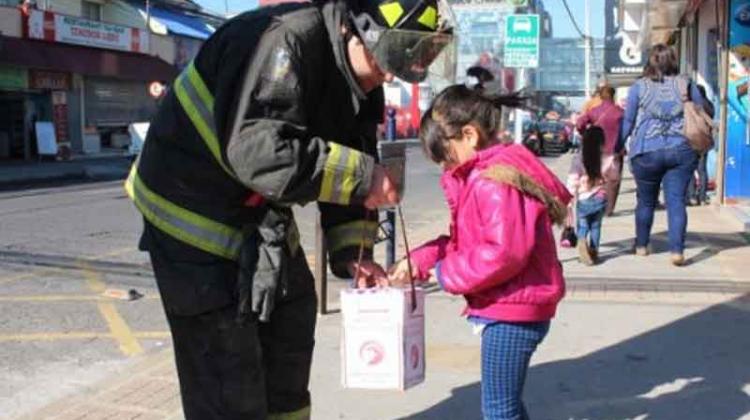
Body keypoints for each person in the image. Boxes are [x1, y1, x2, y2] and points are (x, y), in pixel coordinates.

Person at [124, 0, 454, 418]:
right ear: (354, 29)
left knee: (292, 326)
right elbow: (258, 152)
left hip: (255, 207)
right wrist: (363, 176)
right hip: (190, 211)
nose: (388, 75)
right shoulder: (287, 38)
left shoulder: (359, 78)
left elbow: (351, 147)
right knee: (227, 370)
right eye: (385, 62)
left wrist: (356, 256)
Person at [388, 84, 572, 420]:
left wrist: (445, 274)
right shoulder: (488, 175)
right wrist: (424, 258)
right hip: (515, 305)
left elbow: (503, 253)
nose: (446, 168)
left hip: (512, 310)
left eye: (446, 156)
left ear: (469, 135)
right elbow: (471, 242)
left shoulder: (492, 181)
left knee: (499, 411)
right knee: (507, 406)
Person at [619, 44, 705, 266]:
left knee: (646, 201)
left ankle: (641, 245)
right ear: (673, 61)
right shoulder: (685, 83)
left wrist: (616, 146)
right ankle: (677, 251)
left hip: (646, 150)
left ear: (651, 61)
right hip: (681, 149)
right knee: (676, 201)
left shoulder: (639, 86)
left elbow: (628, 121)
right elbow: (702, 109)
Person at [576, 85, 625, 216]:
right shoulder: (620, 112)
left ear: (601, 96)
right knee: (613, 181)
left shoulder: (593, 111)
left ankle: (596, 203)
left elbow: (579, 123)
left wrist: (585, 134)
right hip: (615, 150)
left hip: (597, 149)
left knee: (596, 176)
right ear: (613, 95)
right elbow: (627, 128)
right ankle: (609, 209)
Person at [567, 126, 607, 265]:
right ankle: (594, 252)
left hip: (584, 199)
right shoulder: (604, 158)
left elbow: (573, 179)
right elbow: (612, 174)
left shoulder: (579, 158)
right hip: (600, 198)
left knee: (583, 226)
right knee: (596, 226)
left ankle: (582, 243)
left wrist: (569, 196)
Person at [686, 84, 715, 206]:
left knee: (690, 170)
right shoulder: (709, 105)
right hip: (704, 140)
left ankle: (692, 196)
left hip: (690, 140)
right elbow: (711, 123)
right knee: (702, 170)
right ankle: (703, 197)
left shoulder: (690, 105)